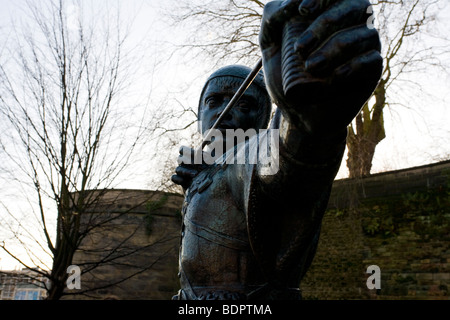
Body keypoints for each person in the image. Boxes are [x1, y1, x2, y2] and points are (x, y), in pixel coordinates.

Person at [171, 0, 382, 300]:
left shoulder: (250, 154)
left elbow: (284, 163)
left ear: (264, 118)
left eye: (246, 104)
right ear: (198, 116)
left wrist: (306, 122)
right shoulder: (208, 170)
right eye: (213, 101)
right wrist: (200, 177)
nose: (226, 112)